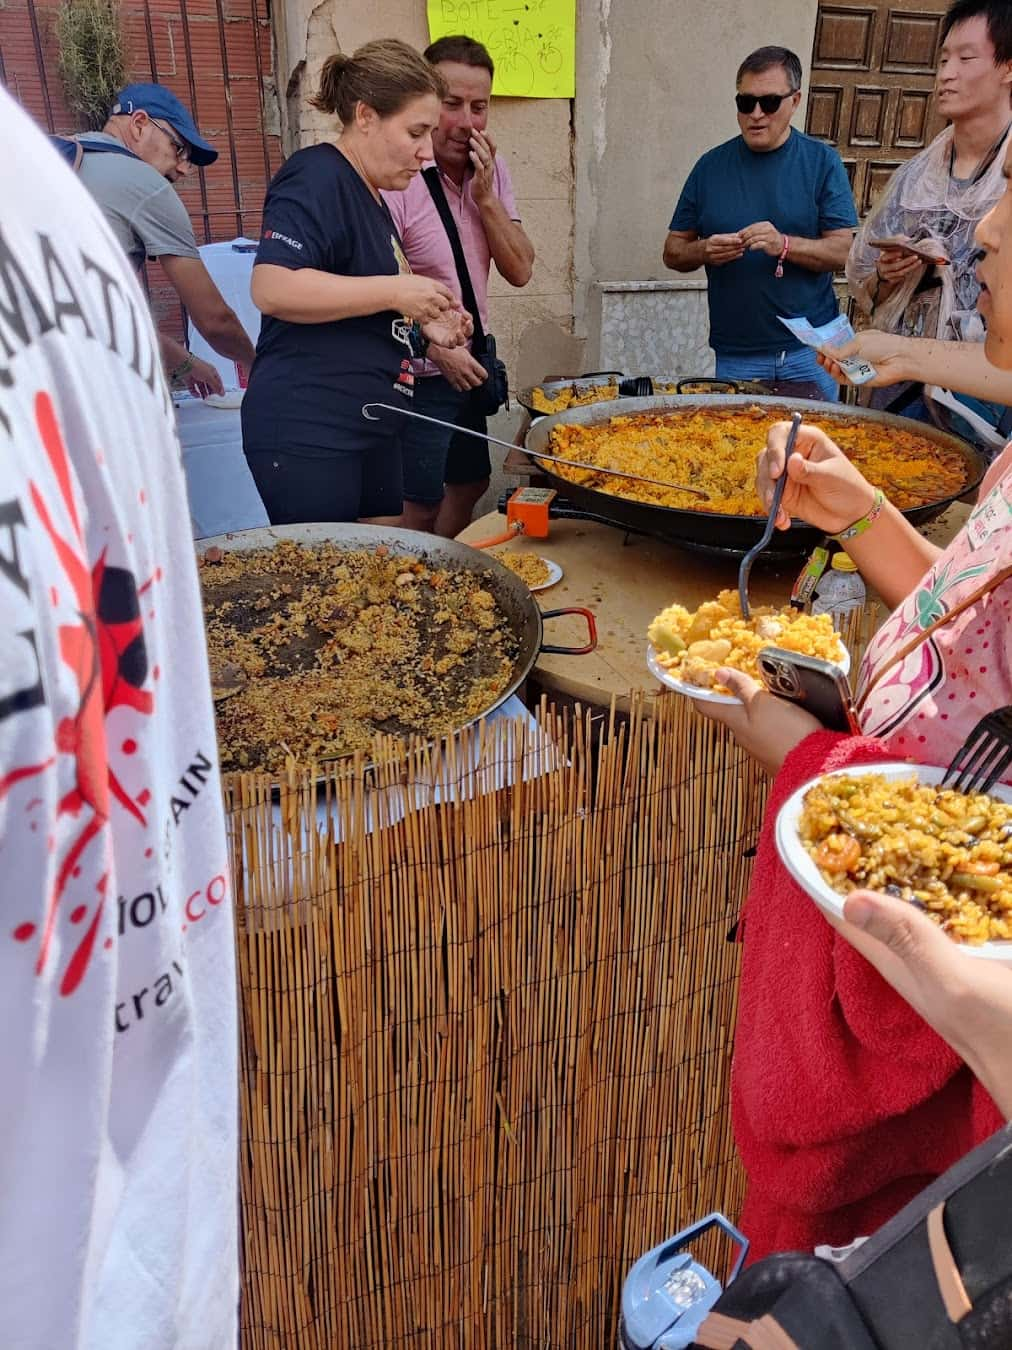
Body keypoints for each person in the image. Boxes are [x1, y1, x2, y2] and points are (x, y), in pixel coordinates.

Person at [699, 129, 1012, 1260]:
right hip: (887, 959)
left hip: (937, 1028)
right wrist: (860, 515)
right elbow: (971, 627)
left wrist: (791, 743)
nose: (979, 227)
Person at [0, 86, 237, 1346]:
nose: (182, 175)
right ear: (139, 132)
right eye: (179, 153)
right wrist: (234, 359)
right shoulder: (97, 196)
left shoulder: (46, 188)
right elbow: (203, 299)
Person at [242, 39, 471, 526]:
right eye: (416, 131)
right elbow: (273, 286)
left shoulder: (377, 198)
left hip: (373, 422)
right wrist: (394, 291)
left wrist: (426, 328)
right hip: (312, 427)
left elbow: (357, 309)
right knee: (333, 587)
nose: (426, 152)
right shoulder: (318, 174)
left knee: (378, 577)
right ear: (366, 116)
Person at [383, 35, 535, 537]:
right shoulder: (402, 171)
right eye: (451, 104)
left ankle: (441, 567)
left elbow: (521, 270)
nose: (466, 121)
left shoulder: (492, 170)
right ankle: (417, 587)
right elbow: (380, 279)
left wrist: (487, 199)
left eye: (479, 106)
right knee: (417, 503)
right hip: (423, 370)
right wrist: (431, 341)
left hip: (471, 361)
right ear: (426, 101)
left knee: (471, 482)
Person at [847, 0, 1012, 448]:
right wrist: (887, 273)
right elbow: (862, 278)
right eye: (942, 60)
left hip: (990, 407)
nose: (946, 74)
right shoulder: (914, 179)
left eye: (965, 58)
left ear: (1007, 68)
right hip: (902, 392)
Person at [663, 46, 856, 401]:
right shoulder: (710, 167)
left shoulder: (821, 163)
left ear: (795, 101)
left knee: (812, 450)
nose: (755, 115)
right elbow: (673, 251)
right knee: (740, 451)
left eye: (768, 103)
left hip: (811, 349)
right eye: (744, 103)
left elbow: (845, 252)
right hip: (738, 354)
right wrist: (703, 250)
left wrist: (785, 245)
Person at [67, 82, 257, 395]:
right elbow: (215, 320)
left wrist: (183, 361)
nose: (183, 169)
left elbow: (99, 312)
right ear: (139, 124)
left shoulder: (62, 157)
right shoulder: (145, 183)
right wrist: (255, 363)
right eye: (178, 149)